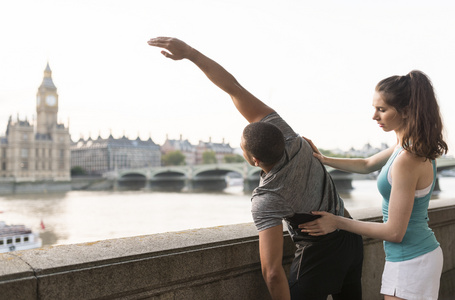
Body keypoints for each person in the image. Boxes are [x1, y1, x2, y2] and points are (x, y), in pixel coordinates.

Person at [147, 37, 363, 300]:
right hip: (351, 235)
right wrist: (191, 53)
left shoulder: (268, 198)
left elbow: (271, 272)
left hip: (320, 254)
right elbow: (234, 88)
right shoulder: (290, 137)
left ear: (254, 161)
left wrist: (191, 55)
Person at [300, 70, 448, 300]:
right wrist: (324, 159)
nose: (374, 116)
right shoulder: (405, 146)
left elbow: (394, 232)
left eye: (382, 109)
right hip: (414, 256)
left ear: (406, 111)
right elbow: (367, 163)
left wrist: (336, 222)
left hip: (411, 260)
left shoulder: (407, 159)